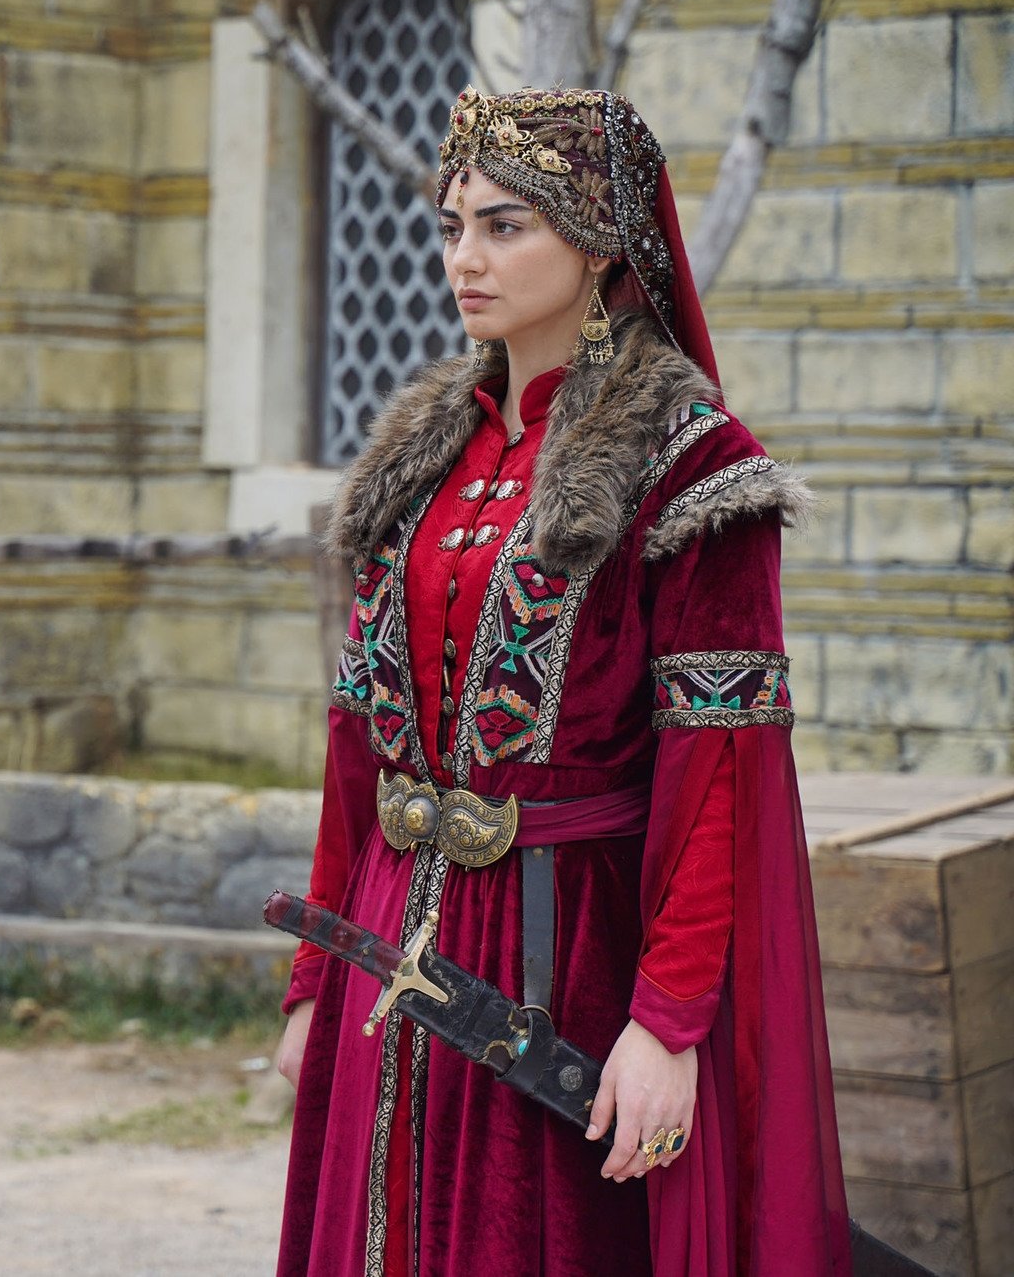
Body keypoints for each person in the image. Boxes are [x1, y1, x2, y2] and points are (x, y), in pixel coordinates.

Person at [273, 87, 852, 1276]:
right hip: (388, 936)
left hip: (566, 962)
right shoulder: (416, 460)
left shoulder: (689, 464)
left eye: (503, 226)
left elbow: (717, 772)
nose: (462, 260)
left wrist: (667, 1023)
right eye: (451, 227)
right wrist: (315, 978)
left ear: (595, 243)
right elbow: (355, 747)